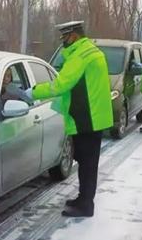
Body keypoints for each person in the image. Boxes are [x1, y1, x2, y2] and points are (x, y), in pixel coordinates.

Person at [21, 21, 113, 217]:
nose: (63, 41)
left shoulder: (80, 56)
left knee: (87, 164)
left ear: (74, 36)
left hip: (87, 118)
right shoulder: (91, 51)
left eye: (65, 37)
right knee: (87, 162)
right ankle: (83, 198)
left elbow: (61, 85)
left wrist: (33, 93)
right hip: (93, 116)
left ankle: (85, 205)